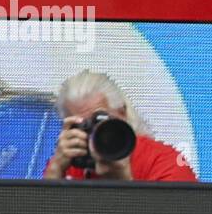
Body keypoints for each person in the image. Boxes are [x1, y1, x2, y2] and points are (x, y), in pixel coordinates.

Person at [43, 70, 197, 182]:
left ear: (122, 113)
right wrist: (55, 171)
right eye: (83, 126)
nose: (94, 134)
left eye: (100, 121)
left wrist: (123, 181)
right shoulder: (68, 162)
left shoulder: (161, 161)